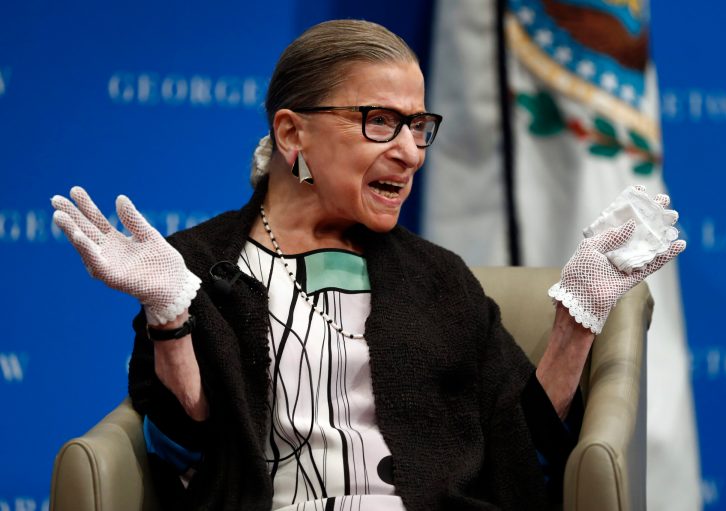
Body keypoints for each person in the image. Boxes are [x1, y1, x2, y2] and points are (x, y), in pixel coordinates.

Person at [50, 19, 684, 511]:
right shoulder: (196, 264)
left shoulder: (437, 279)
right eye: (381, 122)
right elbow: (182, 451)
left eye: (419, 125)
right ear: (293, 134)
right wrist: (169, 316)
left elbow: (520, 455)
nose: (410, 152)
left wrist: (577, 316)